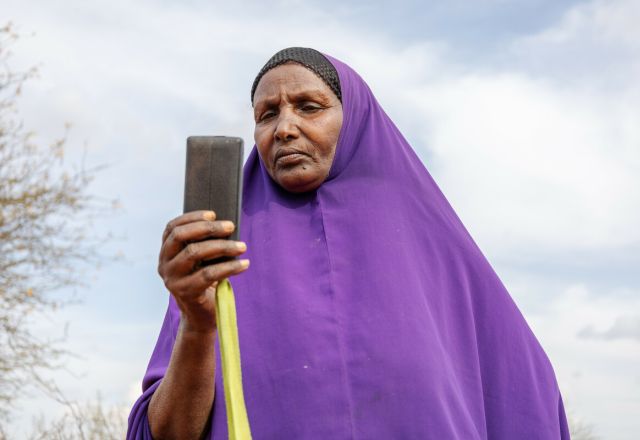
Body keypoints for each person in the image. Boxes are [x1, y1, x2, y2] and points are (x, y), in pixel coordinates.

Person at [127, 47, 570, 439]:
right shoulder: (217, 259)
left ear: (355, 119)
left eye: (308, 106)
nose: (284, 127)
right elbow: (168, 432)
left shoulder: (437, 250)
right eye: (267, 114)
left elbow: (524, 396)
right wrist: (199, 323)